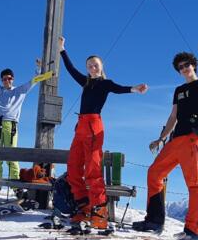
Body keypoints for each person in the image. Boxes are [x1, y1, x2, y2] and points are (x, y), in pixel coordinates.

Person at [132, 42, 198, 240]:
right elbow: (173, 117)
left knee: (195, 184)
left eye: (186, 65)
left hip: (193, 138)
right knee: (154, 173)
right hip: (175, 139)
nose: (184, 69)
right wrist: (161, 138)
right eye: (180, 67)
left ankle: (193, 232)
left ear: (193, 65)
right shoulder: (178, 90)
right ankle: (154, 221)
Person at [59, 36, 148, 229]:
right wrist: (62, 50)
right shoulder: (85, 82)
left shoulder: (105, 84)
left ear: (101, 67)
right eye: (89, 65)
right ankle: (83, 208)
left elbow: (119, 89)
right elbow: (70, 69)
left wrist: (135, 89)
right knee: (73, 167)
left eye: (95, 65)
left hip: (93, 126)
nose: (92, 68)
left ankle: (99, 213)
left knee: (92, 169)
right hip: (80, 126)